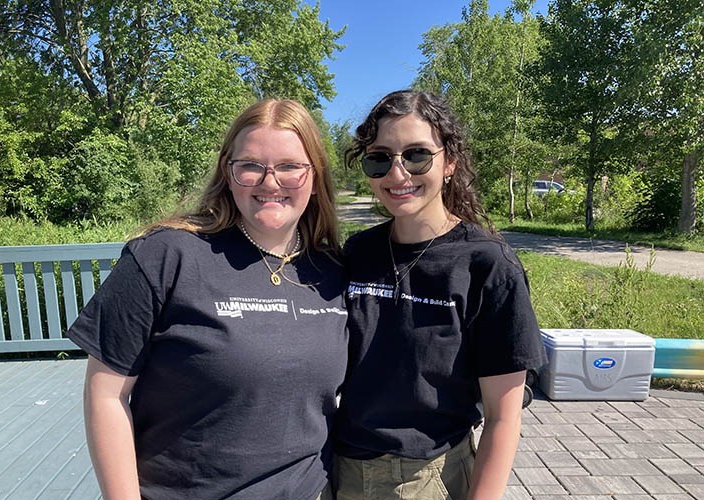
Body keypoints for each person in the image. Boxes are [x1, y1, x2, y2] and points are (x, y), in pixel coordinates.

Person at [68, 98, 348, 500]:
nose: (270, 182)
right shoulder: (165, 256)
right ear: (228, 172)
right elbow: (106, 394)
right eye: (251, 165)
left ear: (315, 175)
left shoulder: (334, 272)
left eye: (289, 166)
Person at [333, 90, 547, 500]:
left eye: (416, 156)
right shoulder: (358, 252)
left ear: (449, 162)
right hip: (339, 469)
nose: (397, 174)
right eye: (380, 158)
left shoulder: (487, 265)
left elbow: (504, 418)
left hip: (428, 478)